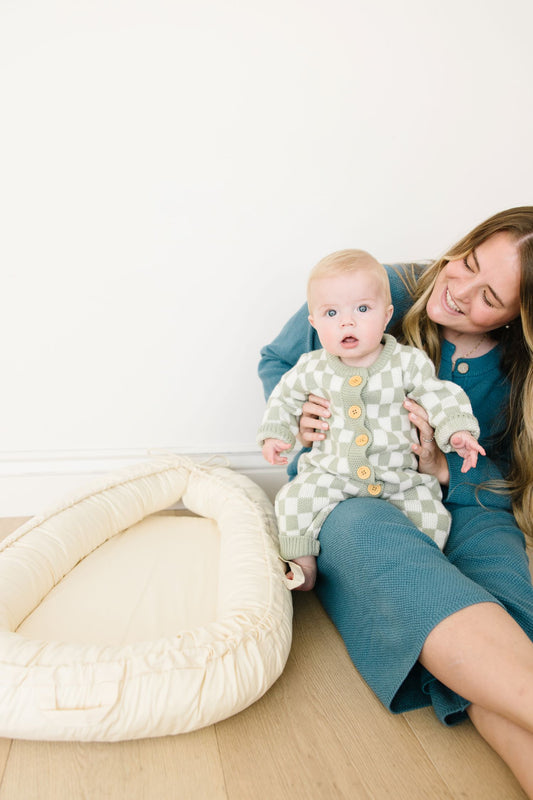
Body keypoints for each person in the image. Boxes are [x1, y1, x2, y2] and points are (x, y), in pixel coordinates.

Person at [258, 207, 533, 797]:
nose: (457, 290)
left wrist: (442, 467)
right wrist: (301, 425)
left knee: (507, 610)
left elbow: (507, 470)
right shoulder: (370, 289)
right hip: (357, 495)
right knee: (377, 542)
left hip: (469, 503)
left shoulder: (517, 370)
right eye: (468, 263)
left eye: (489, 296)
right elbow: (281, 364)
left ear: (518, 320)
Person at [257, 250, 484, 591]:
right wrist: (277, 434)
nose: (347, 322)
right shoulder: (311, 367)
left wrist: (457, 431)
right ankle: (302, 565)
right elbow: (284, 399)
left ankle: (423, 569)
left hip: (400, 478)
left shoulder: (408, 362)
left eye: (362, 309)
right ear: (314, 324)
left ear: (386, 315)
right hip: (331, 474)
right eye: (331, 313)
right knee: (294, 500)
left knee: (433, 515)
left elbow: (440, 395)